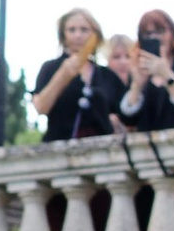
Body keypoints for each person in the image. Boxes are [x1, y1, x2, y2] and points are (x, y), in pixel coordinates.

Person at [31, 10, 120, 144]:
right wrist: (62, 76)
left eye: (84, 30)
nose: (78, 35)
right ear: (63, 35)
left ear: (94, 35)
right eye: (72, 30)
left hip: (101, 149)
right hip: (60, 147)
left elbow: (125, 111)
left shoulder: (105, 74)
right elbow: (41, 107)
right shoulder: (50, 68)